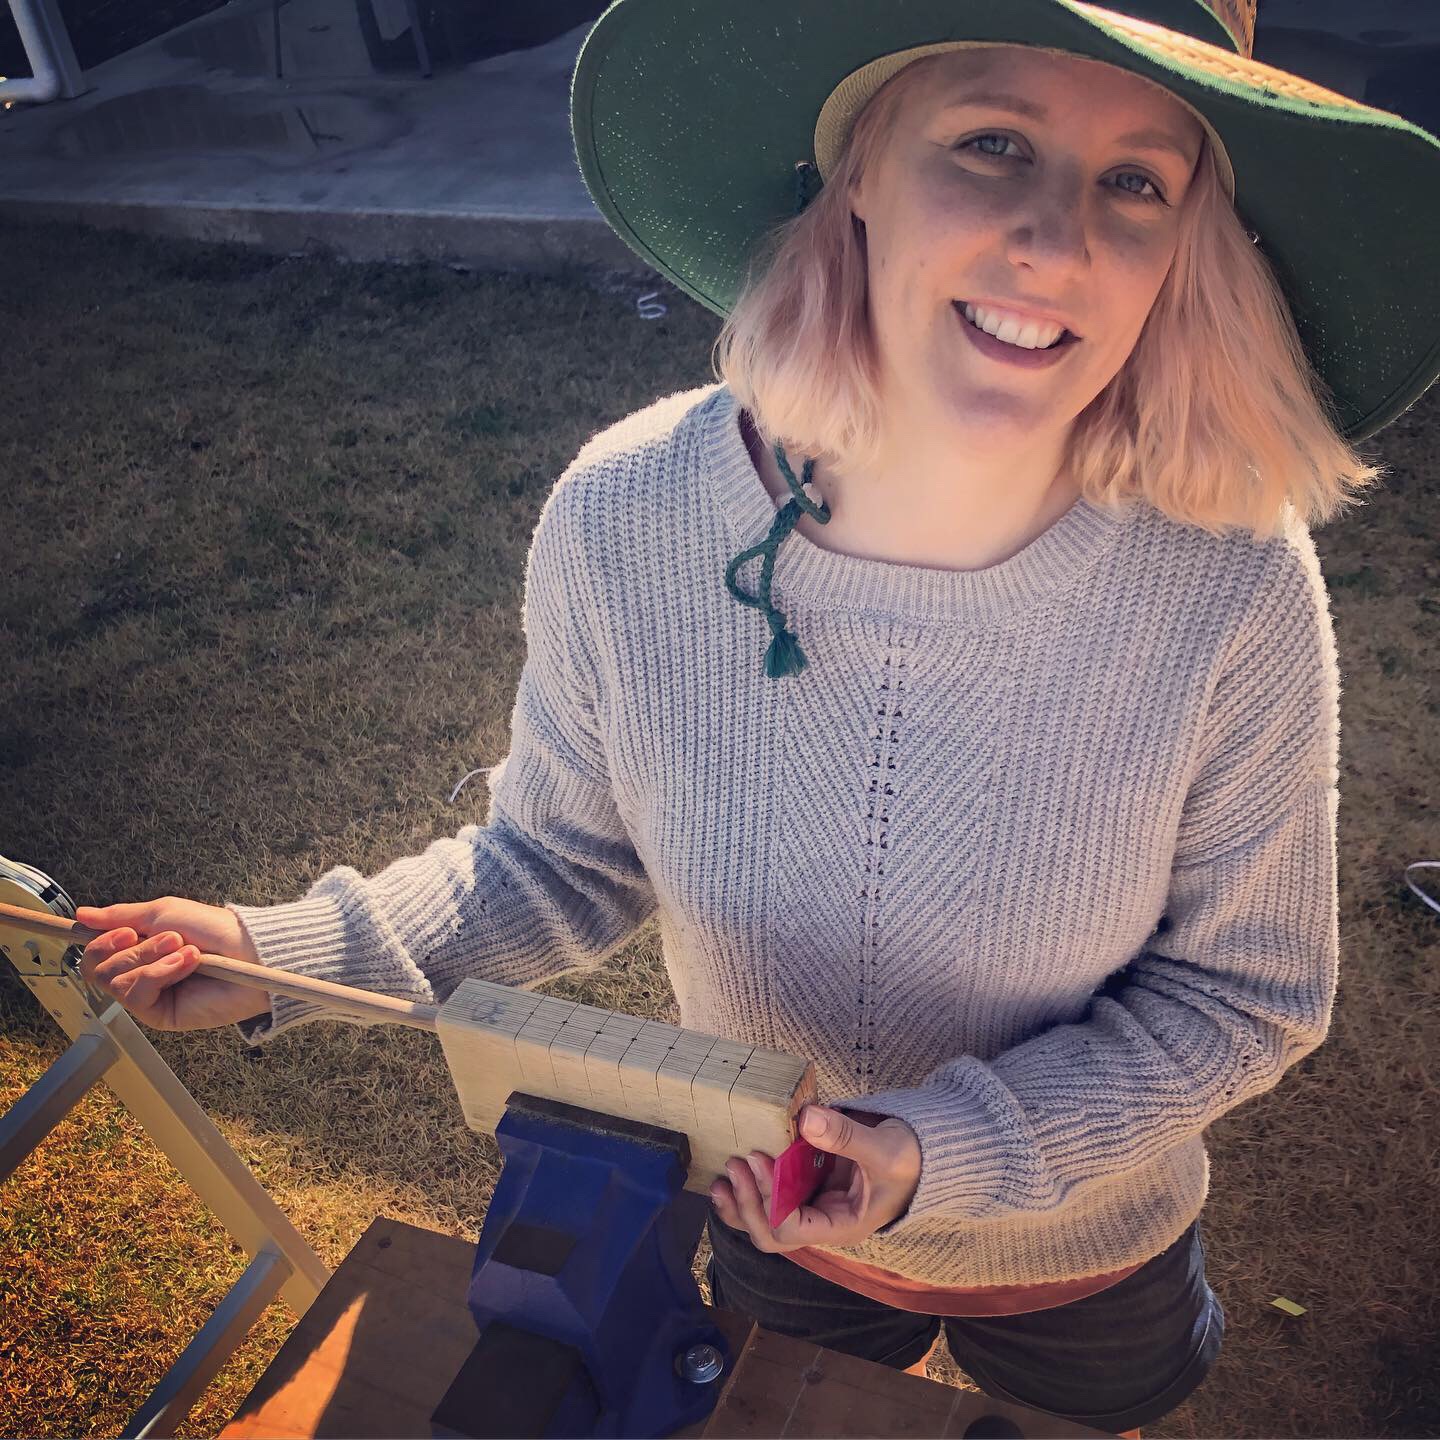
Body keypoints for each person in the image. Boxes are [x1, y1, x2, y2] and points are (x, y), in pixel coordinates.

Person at [77, 1, 1440, 1434]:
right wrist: (285, 955)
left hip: (1083, 1245)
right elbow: (558, 861)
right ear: (854, 169)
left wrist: (947, 1147)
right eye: (992, 143)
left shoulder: (1231, 582)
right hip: (765, 1205)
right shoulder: (627, 511)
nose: (1059, 240)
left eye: (1137, 180)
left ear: (1186, 250)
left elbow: (1242, 995)